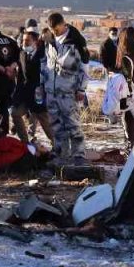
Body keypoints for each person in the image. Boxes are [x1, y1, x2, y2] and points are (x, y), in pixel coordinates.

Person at [42, 13, 88, 161]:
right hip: (51, 90)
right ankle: (61, 152)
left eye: (56, 29)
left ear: (63, 24)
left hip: (68, 91)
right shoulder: (49, 40)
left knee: (73, 124)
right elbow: (45, 63)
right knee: (55, 124)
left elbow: (84, 68)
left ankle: (78, 155)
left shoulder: (76, 41)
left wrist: (81, 89)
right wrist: (42, 84)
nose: (55, 32)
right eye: (52, 29)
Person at [12, 29, 56, 147]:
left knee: (44, 121)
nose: (24, 43)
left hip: (39, 95)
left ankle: (57, 145)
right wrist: (16, 96)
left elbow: (50, 76)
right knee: (15, 113)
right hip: (25, 94)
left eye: (27, 41)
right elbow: (21, 77)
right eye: (23, 40)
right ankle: (25, 143)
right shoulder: (22, 54)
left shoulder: (44, 55)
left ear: (35, 42)